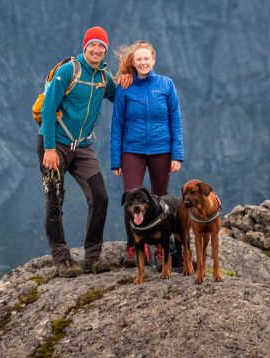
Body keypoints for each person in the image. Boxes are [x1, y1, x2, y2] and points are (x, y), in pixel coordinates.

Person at [38, 25, 128, 277]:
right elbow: (47, 108)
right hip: (54, 144)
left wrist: (131, 80)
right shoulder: (69, 71)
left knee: (100, 197)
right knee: (55, 200)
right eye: (93, 45)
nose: (97, 50)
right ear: (84, 47)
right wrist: (48, 148)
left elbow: (119, 95)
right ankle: (62, 259)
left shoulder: (103, 77)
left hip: (83, 148)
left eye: (102, 46)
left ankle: (92, 258)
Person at [110, 40, 184, 267]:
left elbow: (176, 121)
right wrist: (116, 160)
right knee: (131, 198)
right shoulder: (125, 87)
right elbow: (117, 125)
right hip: (132, 150)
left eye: (146, 59)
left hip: (162, 150)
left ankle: (162, 249)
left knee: (160, 200)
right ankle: (133, 247)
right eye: (138, 59)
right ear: (133, 62)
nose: (142, 62)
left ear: (153, 60)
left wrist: (176, 155)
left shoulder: (166, 85)